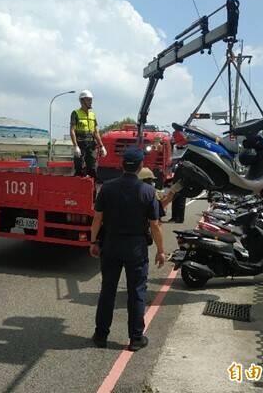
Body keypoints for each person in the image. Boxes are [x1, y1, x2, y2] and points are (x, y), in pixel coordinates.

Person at [89, 147, 165, 351]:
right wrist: (160, 250)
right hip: (136, 247)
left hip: (111, 244)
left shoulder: (107, 188)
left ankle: (101, 335)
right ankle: (136, 338)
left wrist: (93, 241)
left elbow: (97, 218)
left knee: (108, 290)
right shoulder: (148, 191)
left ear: (122, 165)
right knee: (136, 292)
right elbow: (155, 225)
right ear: (141, 166)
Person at [70, 90, 107, 181]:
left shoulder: (92, 115)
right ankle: (78, 190)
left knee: (93, 170)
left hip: (91, 145)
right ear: (82, 101)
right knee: (79, 169)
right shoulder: (75, 113)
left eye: (91, 100)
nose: (90, 102)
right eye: (88, 100)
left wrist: (102, 146)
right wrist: (75, 146)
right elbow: (72, 131)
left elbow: (96, 132)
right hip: (80, 145)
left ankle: (92, 192)